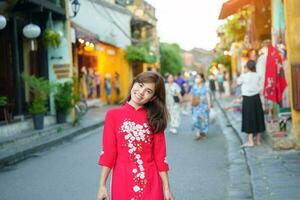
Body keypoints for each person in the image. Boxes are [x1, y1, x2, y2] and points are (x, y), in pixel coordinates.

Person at [97, 71, 174, 200]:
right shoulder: (113, 115)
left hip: (151, 183)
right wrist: (102, 185)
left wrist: (166, 188)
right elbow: (109, 153)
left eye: (148, 91)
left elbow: (160, 156)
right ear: (134, 83)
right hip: (122, 182)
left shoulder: (155, 119)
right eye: (140, 85)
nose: (141, 92)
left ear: (153, 97)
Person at [237, 60, 265, 147]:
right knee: (258, 117)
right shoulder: (258, 75)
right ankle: (258, 140)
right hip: (256, 98)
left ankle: (250, 141)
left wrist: (243, 73)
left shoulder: (244, 76)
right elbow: (260, 86)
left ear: (247, 67)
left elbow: (237, 83)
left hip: (247, 99)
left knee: (248, 118)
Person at [191, 73, 212, 140]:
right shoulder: (194, 87)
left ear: (202, 79)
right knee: (195, 119)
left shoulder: (206, 87)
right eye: (196, 77)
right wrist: (191, 105)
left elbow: (208, 97)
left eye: (198, 77)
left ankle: (203, 133)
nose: (196, 79)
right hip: (196, 106)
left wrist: (209, 106)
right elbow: (192, 96)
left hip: (204, 106)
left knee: (204, 120)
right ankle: (198, 133)